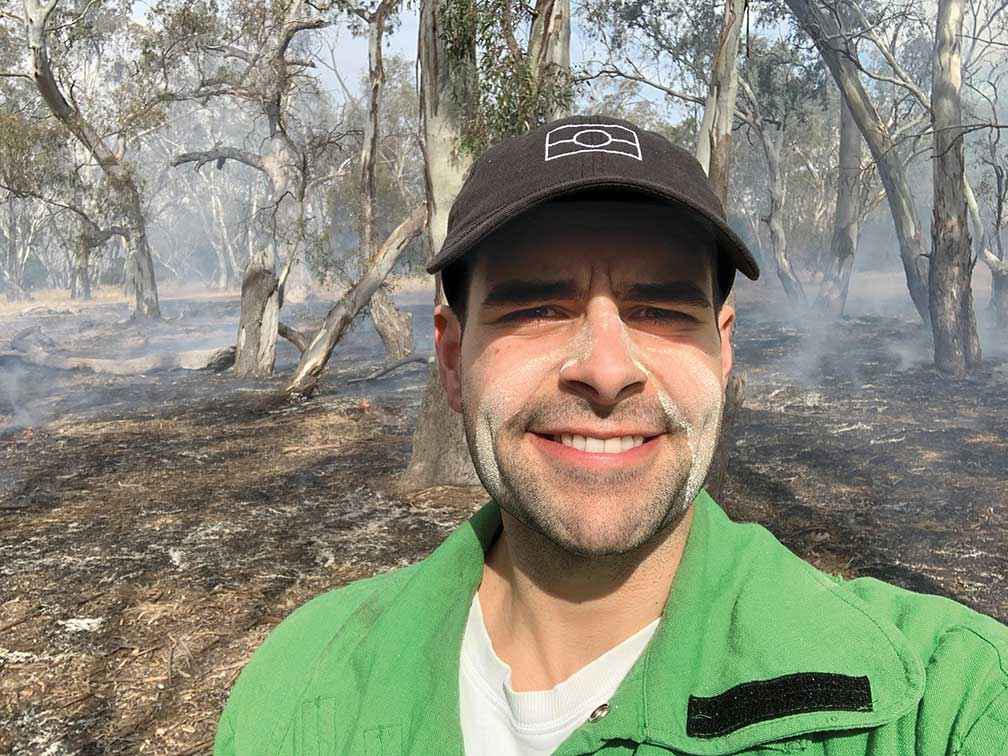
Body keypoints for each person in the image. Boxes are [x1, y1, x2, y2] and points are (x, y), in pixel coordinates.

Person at [213, 115, 1008, 755]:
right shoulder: (300, 689)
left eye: (660, 310)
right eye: (535, 308)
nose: (604, 369)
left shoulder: (942, 697)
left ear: (724, 351)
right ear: (454, 359)